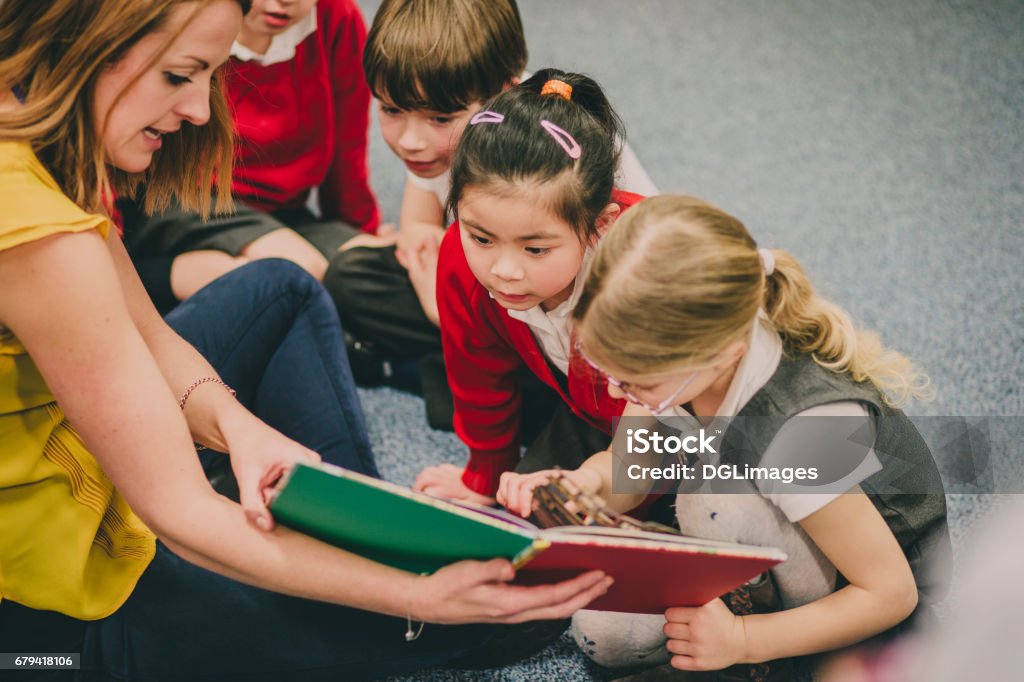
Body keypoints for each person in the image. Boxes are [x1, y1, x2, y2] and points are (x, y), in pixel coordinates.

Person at [0, 2, 612, 679]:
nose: (202, 110)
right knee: (514, 600)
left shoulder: (33, 145)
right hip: (62, 609)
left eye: (210, 74)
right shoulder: (39, 236)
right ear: (93, 45)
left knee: (286, 288)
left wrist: (236, 427)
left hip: (103, 463)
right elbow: (178, 513)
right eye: (183, 74)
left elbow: (147, 335)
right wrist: (418, 587)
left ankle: (362, 534)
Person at [498, 195, 952, 679]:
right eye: (608, 366)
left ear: (720, 355)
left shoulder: (802, 428)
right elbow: (630, 476)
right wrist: (581, 484)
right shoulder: (674, 356)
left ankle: (784, 657)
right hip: (769, 539)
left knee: (711, 499)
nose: (614, 388)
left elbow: (890, 594)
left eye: (634, 380)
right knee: (602, 632)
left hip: (868, 602)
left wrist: (743, 641)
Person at [325, 0, 658, 419]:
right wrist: (431, 274)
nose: (410, 141)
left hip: (583, 317)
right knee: (350, 276)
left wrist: (444, 306)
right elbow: (418, 227)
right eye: (392, 110)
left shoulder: (569, 154)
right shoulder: (440, 149)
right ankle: (473, 374)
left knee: (585, 418)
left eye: (439, 118)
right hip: (504, 289)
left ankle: (465, 381)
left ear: (503, 94)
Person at [414, 69, 652, 507]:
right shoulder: (460, 258)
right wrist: (485, 478)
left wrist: (597, 487)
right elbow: (476, 375)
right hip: (594, 416)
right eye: (481, 238)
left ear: (601, 225)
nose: (503, 270)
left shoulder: (649, 272)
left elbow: (650, 450)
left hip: (704, 422)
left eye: (535, 249)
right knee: (525, 513)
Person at [120, 0, 384, 314]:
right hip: (189, 199)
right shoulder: (201, 18)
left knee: (379, 268)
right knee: (300, 271)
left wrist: (362, 231)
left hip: (284, 212)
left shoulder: (338, 19)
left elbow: (349, 146)